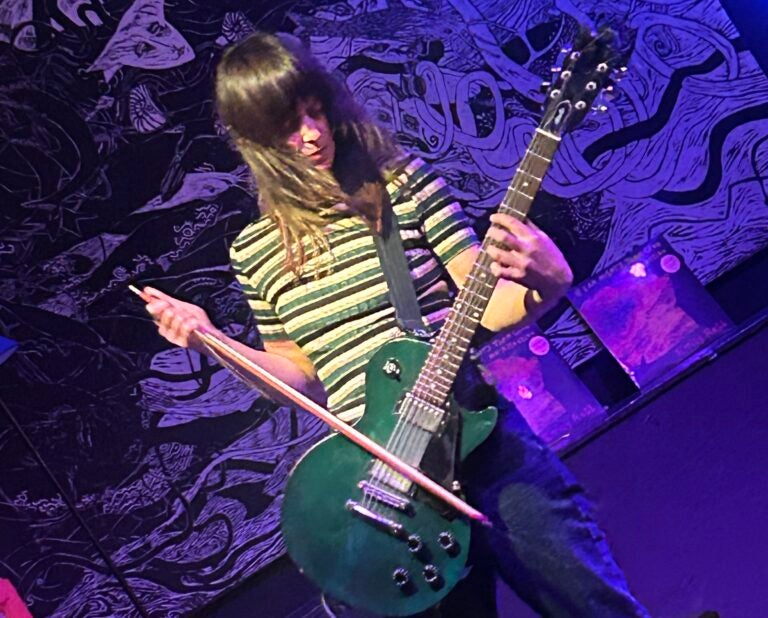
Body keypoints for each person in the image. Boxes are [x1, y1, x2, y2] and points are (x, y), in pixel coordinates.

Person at [142, 32, 648, 617]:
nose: (312, 134)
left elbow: (481, 302)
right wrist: (213, 340)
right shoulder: (254, 251)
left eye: (315, 111)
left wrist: (548, 283)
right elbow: (299, 375)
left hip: (480, 445)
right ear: (255, 139)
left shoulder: (402, 183)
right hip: (391, 486)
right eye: (289, 124)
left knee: (596, 605)